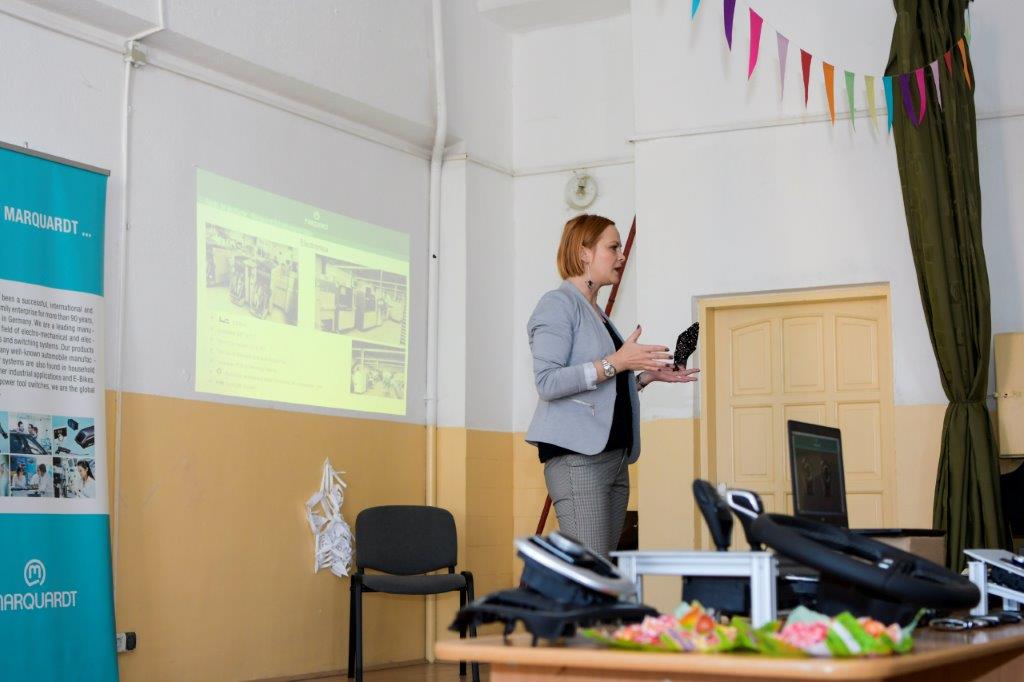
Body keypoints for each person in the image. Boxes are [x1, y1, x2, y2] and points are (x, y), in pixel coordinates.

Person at [526, 214, 700, 558]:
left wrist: (645, 377)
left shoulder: (597, 314)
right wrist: (616, 362)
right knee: (590, 572)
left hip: (614, 458)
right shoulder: (557, 304)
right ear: (584, 252)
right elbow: (547, 381)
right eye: (613, 247)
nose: (621, 256)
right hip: (579, 460)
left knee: (602, 569)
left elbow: (604, 388)